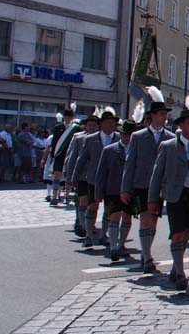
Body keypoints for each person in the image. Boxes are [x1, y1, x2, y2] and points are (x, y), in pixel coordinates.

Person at [149, 95, 189, 290]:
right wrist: (153, 199)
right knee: (176, 232)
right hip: (175, 194)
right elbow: (157, 174)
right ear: (181, 125)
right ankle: (181, 273)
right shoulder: (168, 146)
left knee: (186, 232)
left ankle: (176, 267)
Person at [122, 87, 175, 274]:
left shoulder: (171, 138)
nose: (164, 117)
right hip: (141, 184)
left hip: (159, 188)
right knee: (145, 219)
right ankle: (147, 257)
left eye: (165, 114)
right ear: (152, 116)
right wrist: (125, 188)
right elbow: (130, 164)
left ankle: (146, 252)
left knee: (153, 221)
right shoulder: (138, 136)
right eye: (161, 114)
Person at [73, 108, 119, 248]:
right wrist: (75, 176)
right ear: (101, 124)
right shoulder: (91, 139)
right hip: (94, 178)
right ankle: (88, 234)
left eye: (112, 123)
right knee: (92, 207)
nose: (110, 125)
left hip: (112, 180)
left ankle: (103, 234)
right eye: (107, 122)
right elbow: (82, 159)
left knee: (109, 209)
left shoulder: (119, 138)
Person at [95, 113, 139, 262]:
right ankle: (113, 247)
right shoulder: (109, 150)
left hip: (131, 190)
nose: (128, 138)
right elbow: (101, 173)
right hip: (113, 189)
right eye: (125, 134)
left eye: (131, 135)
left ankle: (121, 244)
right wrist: (98, 193)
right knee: (114, 217)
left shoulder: (138, 151)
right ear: (121, 134)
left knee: (127, 218)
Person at [49, 105, 80, 204]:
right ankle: (54, 197)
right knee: (56, 176)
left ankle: (66, 195)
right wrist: (52, 156)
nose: (67, 119)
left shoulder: (76, 128)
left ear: (72, 118)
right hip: (59, 154)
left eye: (69, 117)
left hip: (70, 155)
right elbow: (54, 143)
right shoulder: (58, 127)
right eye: (66, 117)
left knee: (68, 176)